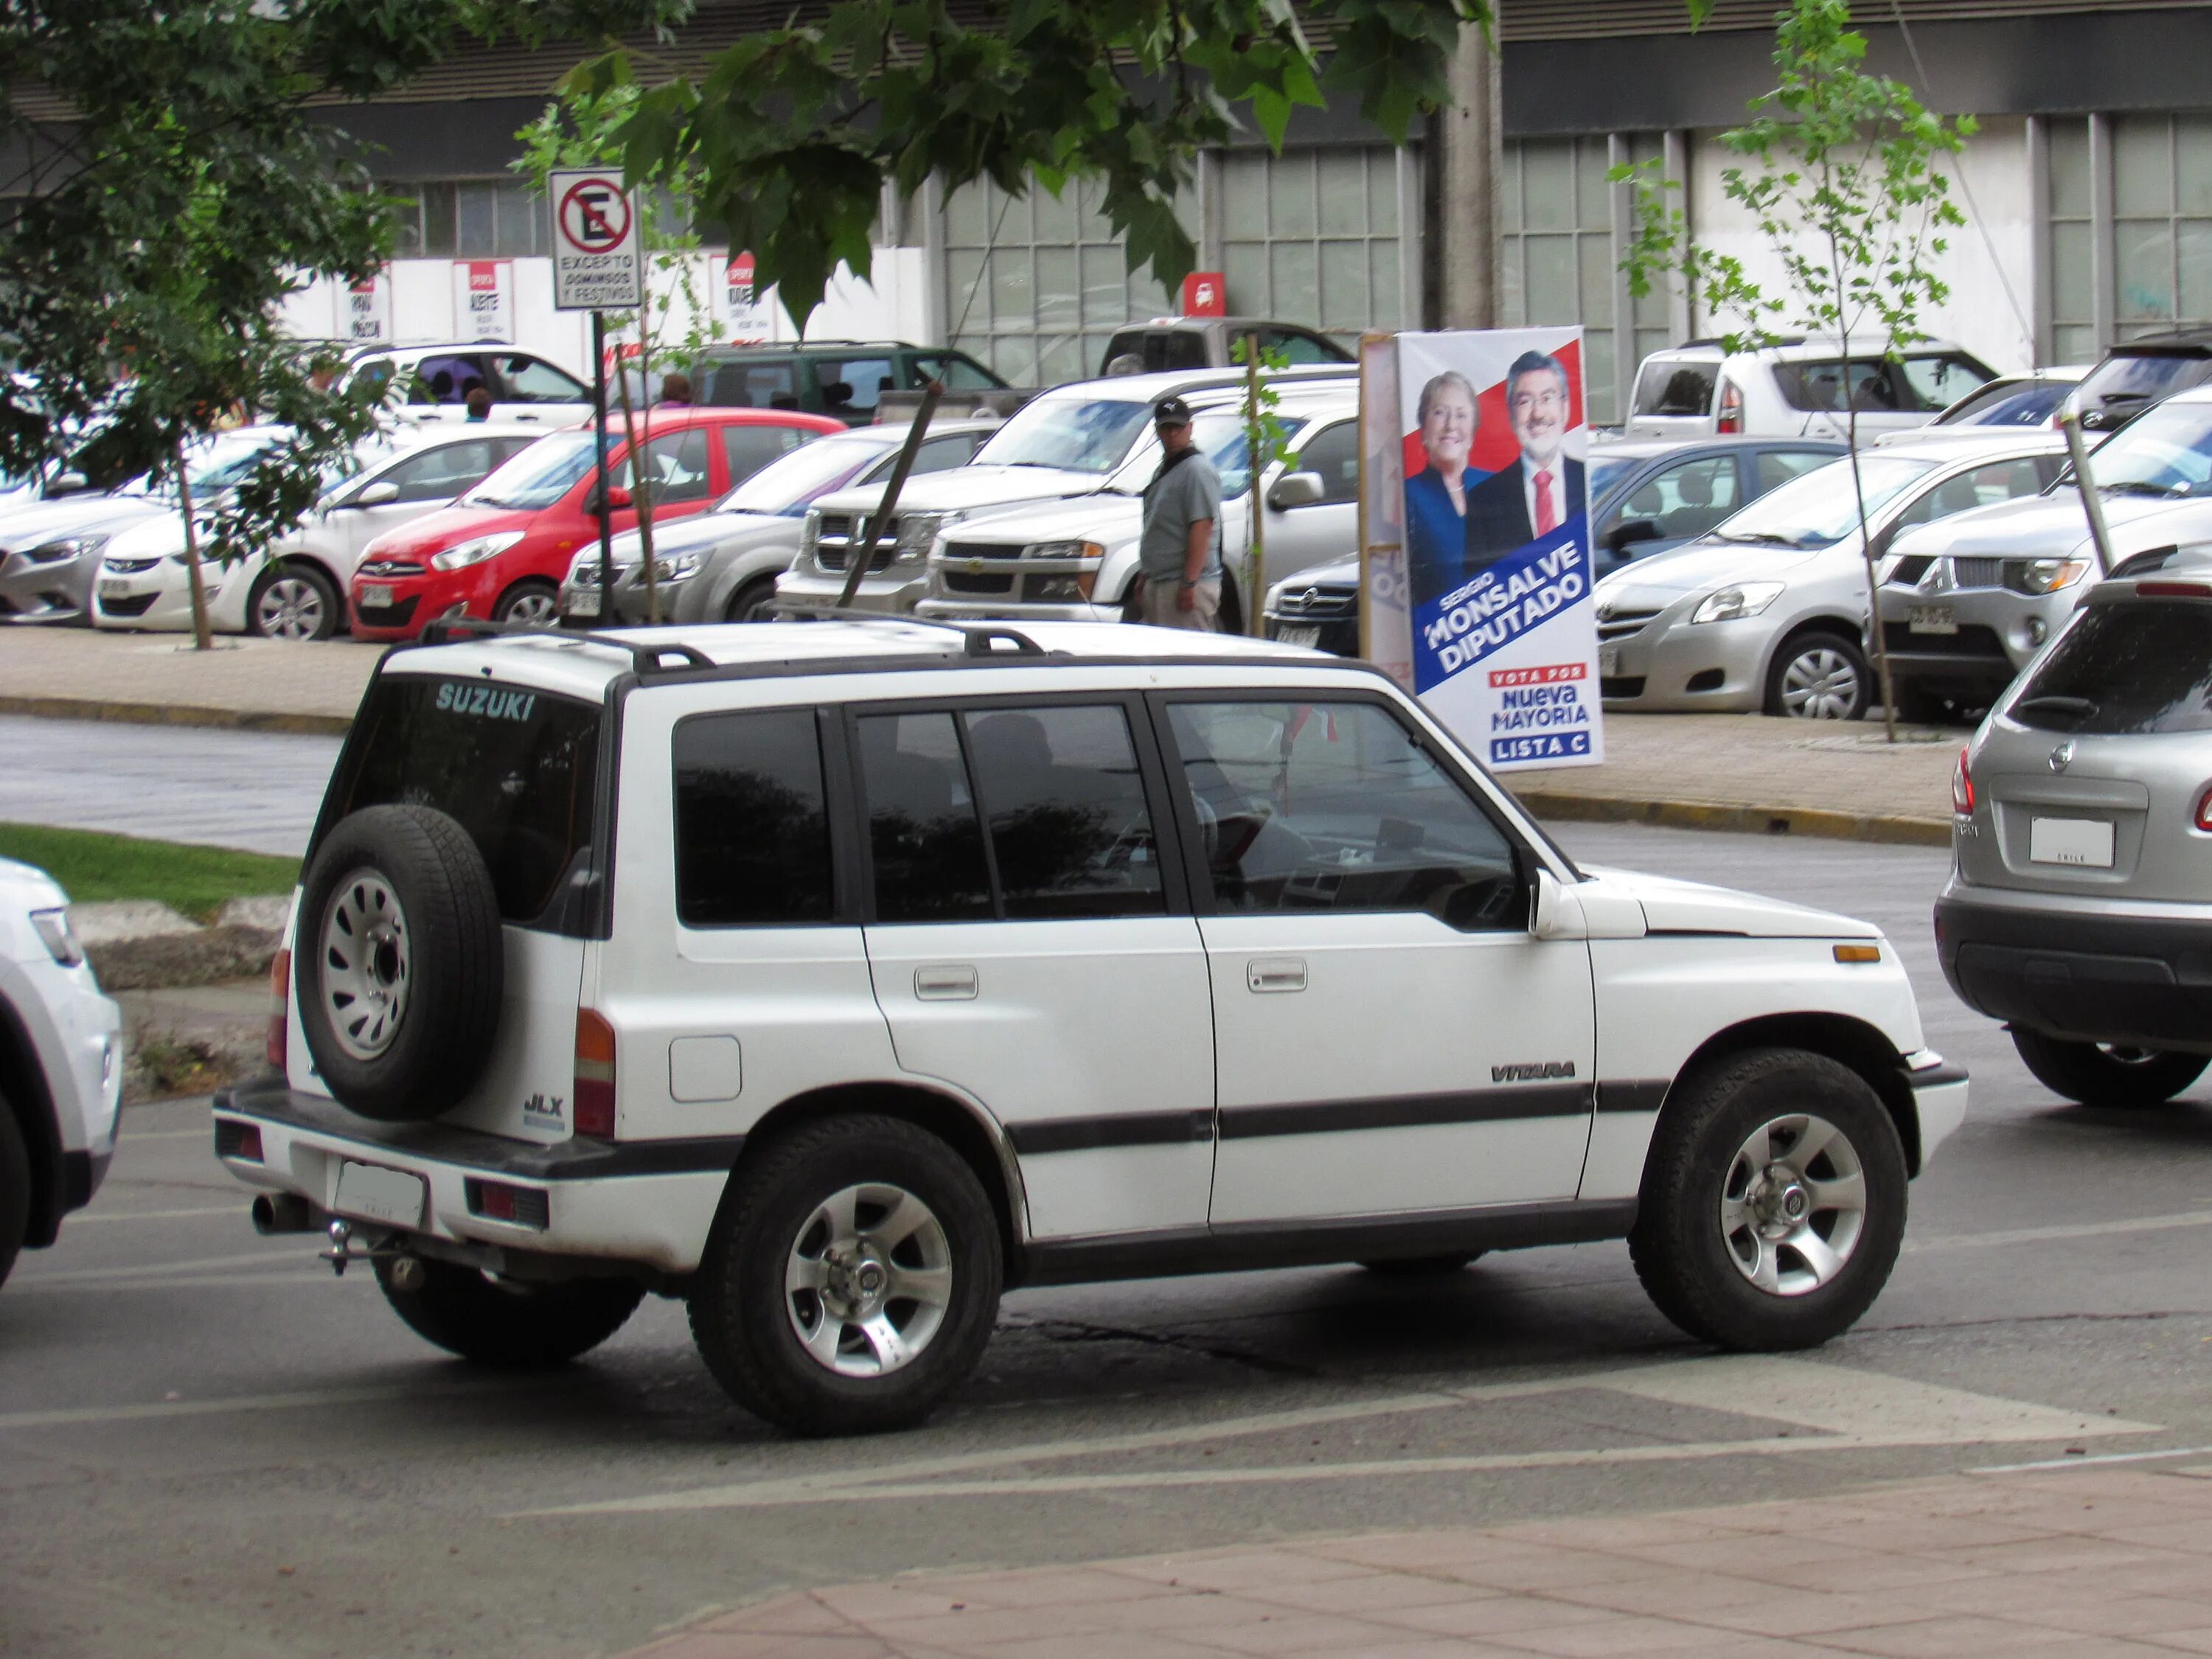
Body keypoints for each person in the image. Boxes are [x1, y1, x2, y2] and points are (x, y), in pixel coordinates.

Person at [1461, 349, 1587, 578]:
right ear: (1510, 414)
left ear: (1565, 408)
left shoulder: (1590, 480)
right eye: (1525, 402)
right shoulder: (1484, 499)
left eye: (1547, 398)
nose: (1538, 413)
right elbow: (1477, 582)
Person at [1132, 394, 1222, 632]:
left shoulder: (1196, 470)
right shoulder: (1167, 468)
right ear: (1158, 431)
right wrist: (1145, 573)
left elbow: (1201, 527)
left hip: (1185, 584)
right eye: (1166, 428)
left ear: (1189, 428)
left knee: (1189, 662)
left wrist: (1189, 583)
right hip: (1160, 581)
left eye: (1178, 428)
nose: (1172, 435)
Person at [1403, 370, 1486, 605]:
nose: (1451, 425)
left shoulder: (1499, 487)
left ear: (1474, 427)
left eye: (1461, 415)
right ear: (1423, 426)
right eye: (1440, 413)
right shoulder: (1406, 495)